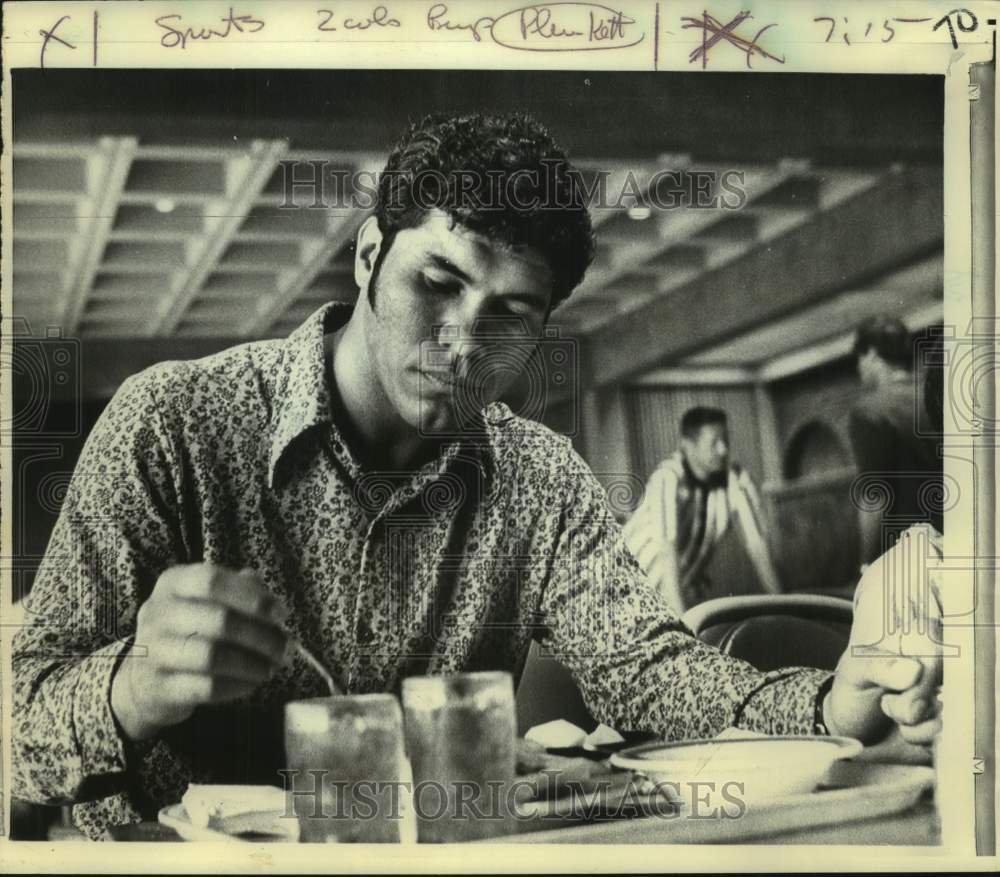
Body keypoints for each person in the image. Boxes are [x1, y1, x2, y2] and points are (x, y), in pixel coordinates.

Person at [13, 112, 940, 839]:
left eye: (512, 313)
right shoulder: (172, 424)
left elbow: (659, 678)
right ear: (370, 256)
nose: (464, 343)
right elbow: (17, 733)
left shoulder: (539, 479)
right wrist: (129, 687)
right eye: (439, 282)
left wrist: (834, 701)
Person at [623, 406, 783, 612]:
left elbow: (759, 548)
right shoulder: (667, 478)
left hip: (665, 598)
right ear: (688, 446)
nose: (723, 449)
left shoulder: (736, 480)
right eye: (714, 442)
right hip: (620, 589)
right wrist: (685, 629)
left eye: (725, 440)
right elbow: (667, 555)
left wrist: (786, 609)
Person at [849, 316, 942, 565]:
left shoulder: (869, 411)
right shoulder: (937, 393)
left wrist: (866, 563)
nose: (859, 369)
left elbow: (874, 496)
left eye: (859, 359)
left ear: (870, 355)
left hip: (907, 557)